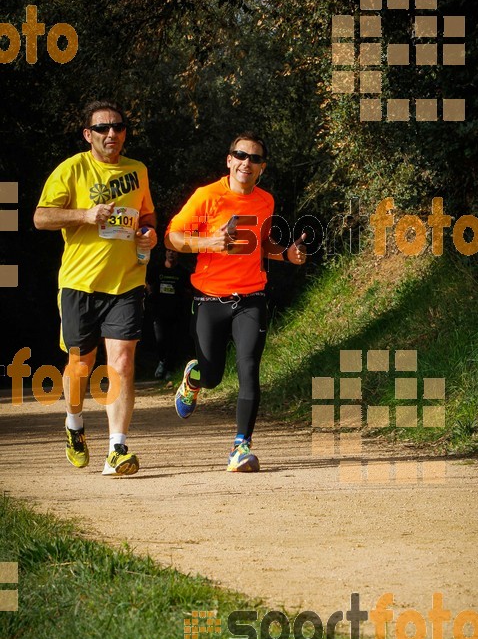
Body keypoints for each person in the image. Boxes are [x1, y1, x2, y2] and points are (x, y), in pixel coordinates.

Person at [165, 131, 306, 472]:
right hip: (209, 299)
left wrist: (286, 254)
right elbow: (172, 236)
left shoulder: (265, 201)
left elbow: (262, 244)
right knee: (212, 375)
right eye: (241, 156)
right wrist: (210, 242)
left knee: (249, 369)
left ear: (262, 168)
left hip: (251, 298)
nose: (247, 163)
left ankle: (240, 447)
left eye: (254, 159)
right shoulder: (207, 196)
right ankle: (194, 377)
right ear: (229, 160)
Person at [34, 100, 157, 476]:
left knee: (121, 362)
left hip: (126, 283)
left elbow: (147, 215)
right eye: (102, 128)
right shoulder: (72, 169)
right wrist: (85, 215)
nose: (111, 134)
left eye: (117, 127)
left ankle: (117, 449)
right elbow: (41, 217)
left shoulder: (138, 171)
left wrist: (150, 234)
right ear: (88, 134)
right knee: (80, 366)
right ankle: (74, 425)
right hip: (79, 284)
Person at [145, 247, 193, 381]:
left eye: (174, 251)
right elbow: (148, 282)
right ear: (165, 253)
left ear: (178, 254)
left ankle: (169, 370)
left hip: (177, 311)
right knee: (160, 339)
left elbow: (189, 289)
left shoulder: (182, 272)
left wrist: (185, 296)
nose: (171, 253)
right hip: (159, 311)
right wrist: (150, 293)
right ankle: (162, 362)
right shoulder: (157, 269)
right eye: (169, 251)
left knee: (174, 341)